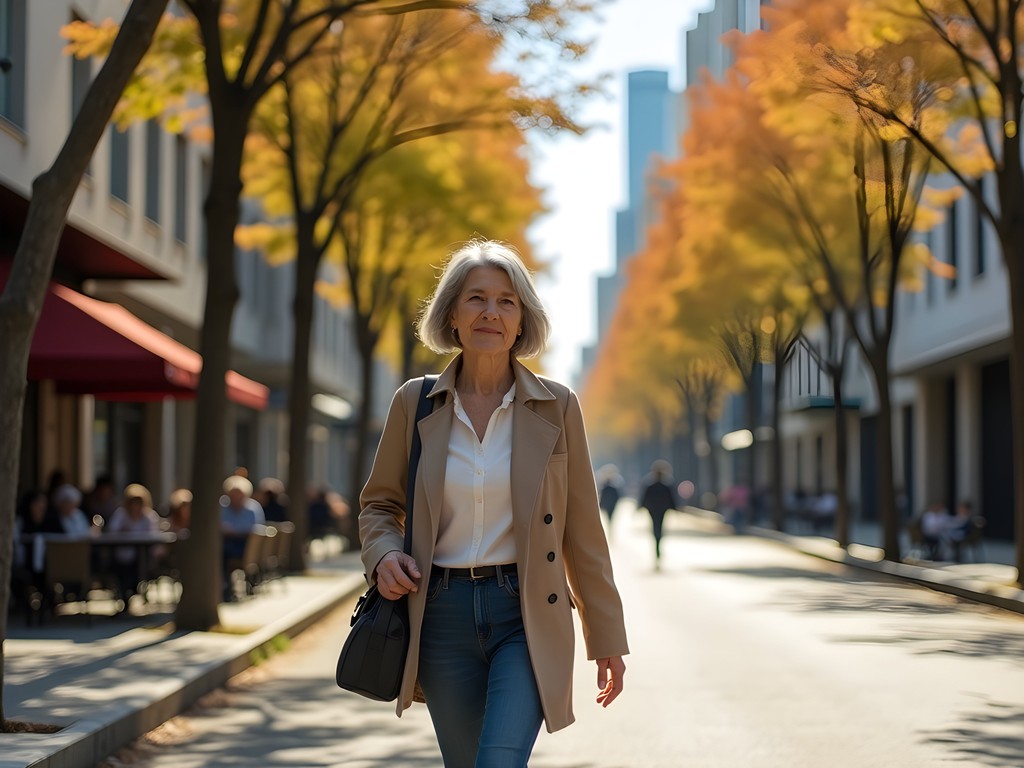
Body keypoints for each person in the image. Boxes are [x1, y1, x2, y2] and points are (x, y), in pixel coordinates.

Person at [360, 239, 628, 768]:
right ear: (452, 315)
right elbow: (379, 506)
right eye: (476, 298)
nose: (491, 312)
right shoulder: (414, 403)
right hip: (439, 615)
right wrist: (384, 556)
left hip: (525, 614)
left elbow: (582, 530)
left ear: (522, 319)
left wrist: (606, 636)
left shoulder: (558, 406)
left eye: (507, 301)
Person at [220, 474, 265, 601]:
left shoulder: (252, 508)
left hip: (247, 545)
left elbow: (257, 529)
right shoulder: (223, 508)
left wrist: (236, 531)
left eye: (238, 494)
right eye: (232, 494)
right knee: (221, 553)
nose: (235, 498)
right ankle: (225, 588)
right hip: (227, 543)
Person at [637, 459, 679, 570]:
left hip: (653, 510)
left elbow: (644, 498)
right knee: (658, 528)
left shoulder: (652, 485)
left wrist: (640, 507)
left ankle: (657, 543)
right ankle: (657, 544)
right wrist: (675, 508)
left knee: (656, 528)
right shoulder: (665, 485)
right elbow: (671, 499)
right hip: (660, 510)